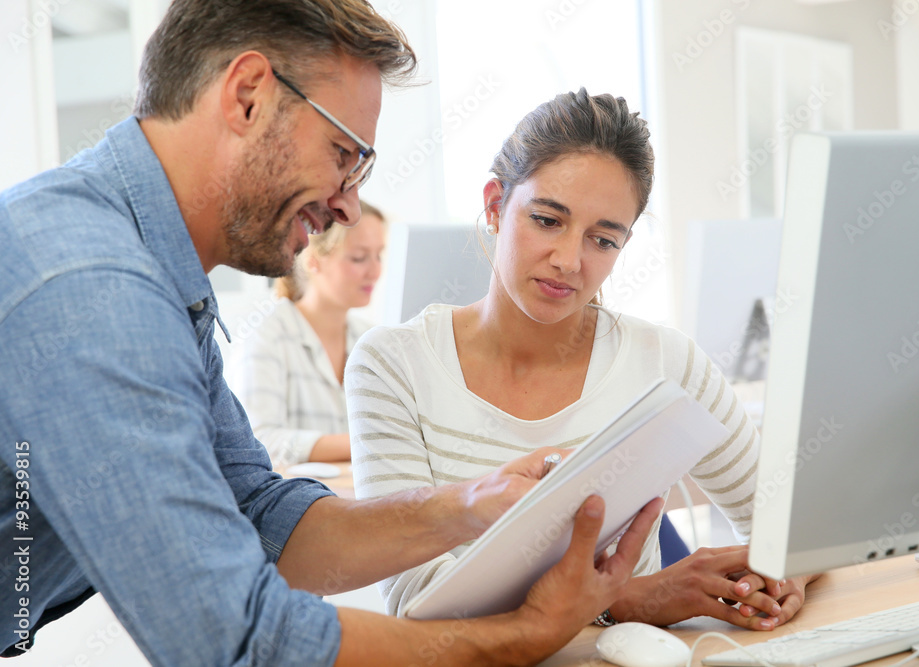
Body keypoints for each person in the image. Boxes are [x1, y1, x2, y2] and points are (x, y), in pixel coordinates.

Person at [0, 2, 664, 665]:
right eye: (343, 153)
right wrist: (519, 638)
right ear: (249, 94)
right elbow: (234, 640)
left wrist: (470, 503)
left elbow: (264, 517)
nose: (348, 203)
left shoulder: (156, 277)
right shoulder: (94, 284)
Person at [347, 88, 818, 629]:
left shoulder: (665, 360)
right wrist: (625, 599)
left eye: (603, 240)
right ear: (496, 205)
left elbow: (791, 530)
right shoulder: (392, 365)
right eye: (548, 220)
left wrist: (779, 578)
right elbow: (416, 602)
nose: (570, 261)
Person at [230, 201, 385, 466]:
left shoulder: (372, 341)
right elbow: (260, 441)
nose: (375, 271)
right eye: (359, 257)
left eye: (379, 255)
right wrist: (367, 442)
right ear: (314, 261)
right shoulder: (267, 336)